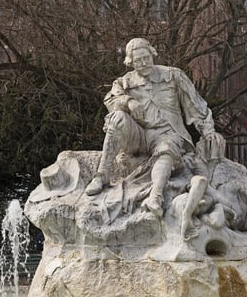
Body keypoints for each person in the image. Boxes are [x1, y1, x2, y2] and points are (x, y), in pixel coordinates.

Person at [85, 38, 221, 218]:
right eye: (138, 60)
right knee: (117, 117)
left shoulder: (173, 76)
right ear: (130, 62)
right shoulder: (124, 82)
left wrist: (209, 131)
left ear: (152, 54)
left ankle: (155, 197)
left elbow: (196, 107)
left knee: (166, 147)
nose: (143, 63)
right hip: (138, 135)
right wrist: (128, 101)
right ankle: (101, 176)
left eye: (146, 57)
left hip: (167, 133)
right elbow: (110, 100)